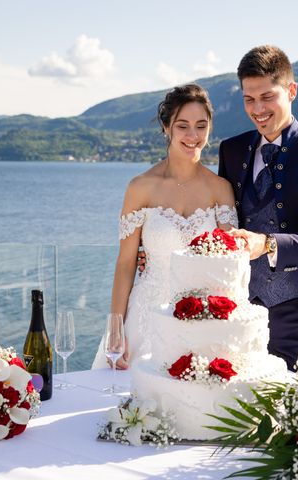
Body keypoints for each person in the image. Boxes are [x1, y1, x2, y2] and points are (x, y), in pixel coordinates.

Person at [219, 45, 298, 370]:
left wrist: (268, 244)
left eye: (267, 97)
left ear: (291, 91)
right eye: (249, 99)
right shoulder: (232, 150)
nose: (258, 108)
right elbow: (218, 216)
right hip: (242, 313)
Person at [91, 83, 238, 369]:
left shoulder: (220, 189)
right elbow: (125, 264)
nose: (193, 136)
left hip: (201, 320)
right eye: (183, 126)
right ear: (166, 127)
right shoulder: (140, 188)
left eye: (201, 125)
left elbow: (229, 264)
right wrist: (116, 330)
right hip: (145, 319)